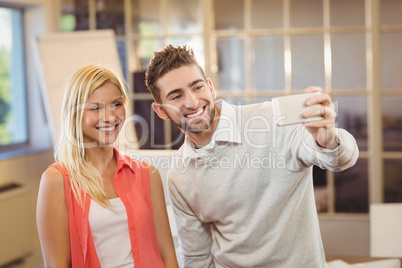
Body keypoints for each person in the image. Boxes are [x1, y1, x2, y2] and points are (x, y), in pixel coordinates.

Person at [145, 45, 359, 267]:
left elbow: (339, 159)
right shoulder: (179, 176)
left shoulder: (271, 120)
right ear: (161, 110)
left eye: (197, 87)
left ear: (210, 87)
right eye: (176, 96)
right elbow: (196, 257)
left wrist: (328, 139)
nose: (192, 102)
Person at [36, 64, 178, 268]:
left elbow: (168, 256)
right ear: (75, 114)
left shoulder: (148, 175)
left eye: (116, 104)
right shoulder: (57, 180)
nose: (110, 117)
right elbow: (56, 264)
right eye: (95, 108)